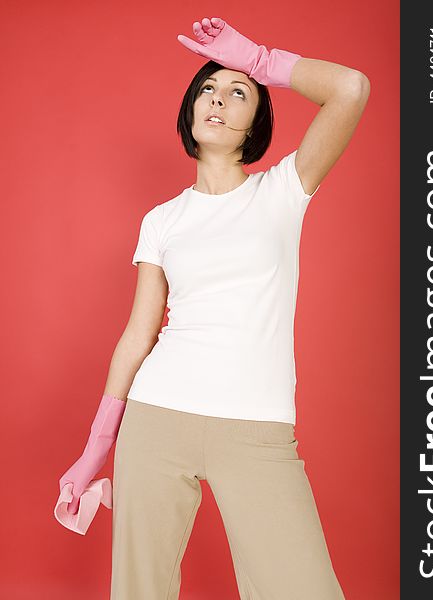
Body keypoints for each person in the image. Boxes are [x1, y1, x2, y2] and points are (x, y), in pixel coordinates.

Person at [58, 16, 370, 600]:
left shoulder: (282, 192)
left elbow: (350, 88)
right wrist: (95, 450)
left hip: (256, 431)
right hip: (155, 419)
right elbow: (137, 336)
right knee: (139, 591)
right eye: (208, 89)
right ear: (191, 110)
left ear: (257, 120)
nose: (219, 100)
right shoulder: (162, 220)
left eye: (238, 92)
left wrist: (260, 60)